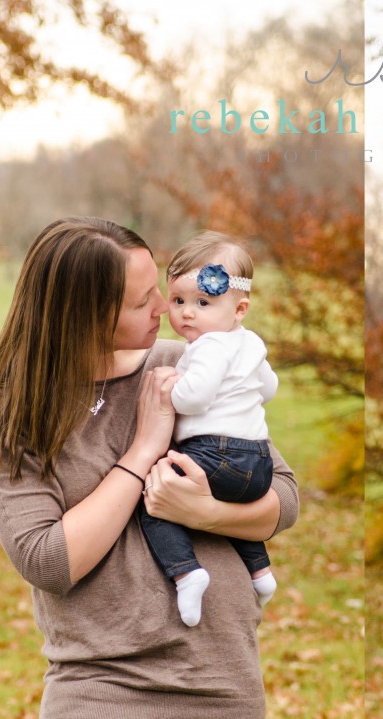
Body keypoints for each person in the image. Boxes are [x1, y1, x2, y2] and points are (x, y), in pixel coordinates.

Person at [0, 217, 299, 719]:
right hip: (99, 698)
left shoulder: (188, 363)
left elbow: (284, 499)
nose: (165, 312)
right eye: (144, 301)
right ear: (85, 316)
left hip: (216, 692)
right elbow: (50, 560)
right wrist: (144, 449)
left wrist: (208, 513)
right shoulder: (10, 415)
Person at [139, 231, 281, 627]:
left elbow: (194, 399)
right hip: (259, 465)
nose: (187, 313)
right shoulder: (250, 343)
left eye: (203, 303)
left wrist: (172, 385)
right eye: (179, 301)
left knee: (155, 496)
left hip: (214, 454)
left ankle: (186, 573)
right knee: (233, 507)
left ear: (239, 308)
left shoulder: (207, 347)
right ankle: (260, 571)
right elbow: (269, 388)